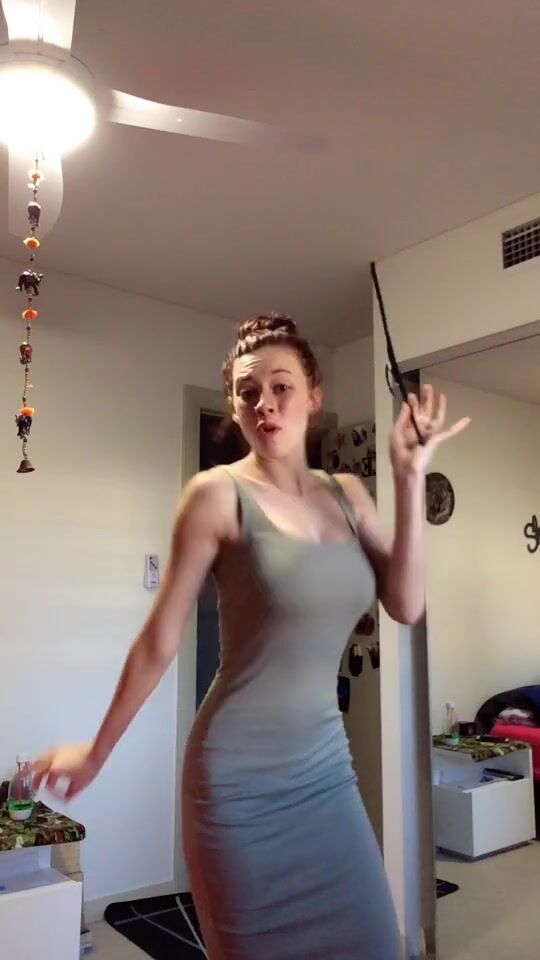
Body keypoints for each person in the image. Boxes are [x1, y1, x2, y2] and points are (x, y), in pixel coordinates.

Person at [33, 315, 470, 959]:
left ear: (313, 396)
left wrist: (408, 479)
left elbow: (405, 603)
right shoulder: (216, 495)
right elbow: (158, 641)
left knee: (377, 945)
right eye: (247, 392)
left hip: (325, 775)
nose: (264, 403)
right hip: (235, 788)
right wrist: (97, 753)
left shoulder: (349, 494)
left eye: (281, 386)